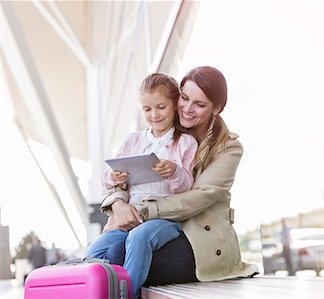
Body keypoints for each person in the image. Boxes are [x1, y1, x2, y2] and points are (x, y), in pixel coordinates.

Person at [100, 66, 259, 296]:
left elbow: (199, 197)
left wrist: (142, 210)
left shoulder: (228, 148)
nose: (187, 109)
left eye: (200, 104)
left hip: (199, 238)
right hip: (151, 227)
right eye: (184, 98)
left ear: (217, 108)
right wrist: (118, 204)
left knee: (116, 257)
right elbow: (121, 176)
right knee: (108, 251)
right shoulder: (154, 137)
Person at [86, 73, 198, 299]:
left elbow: (187, 189)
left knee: (139, 238)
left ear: (174, 106)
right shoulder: (132, 141)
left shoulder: (185, 143)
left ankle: (128, 295)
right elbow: (107, 179)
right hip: (131, 217)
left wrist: (175, 172)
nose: (154, 115)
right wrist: (114, 176)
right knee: (95, 250)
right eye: (147, 109)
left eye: (161, 107)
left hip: (166, 219)